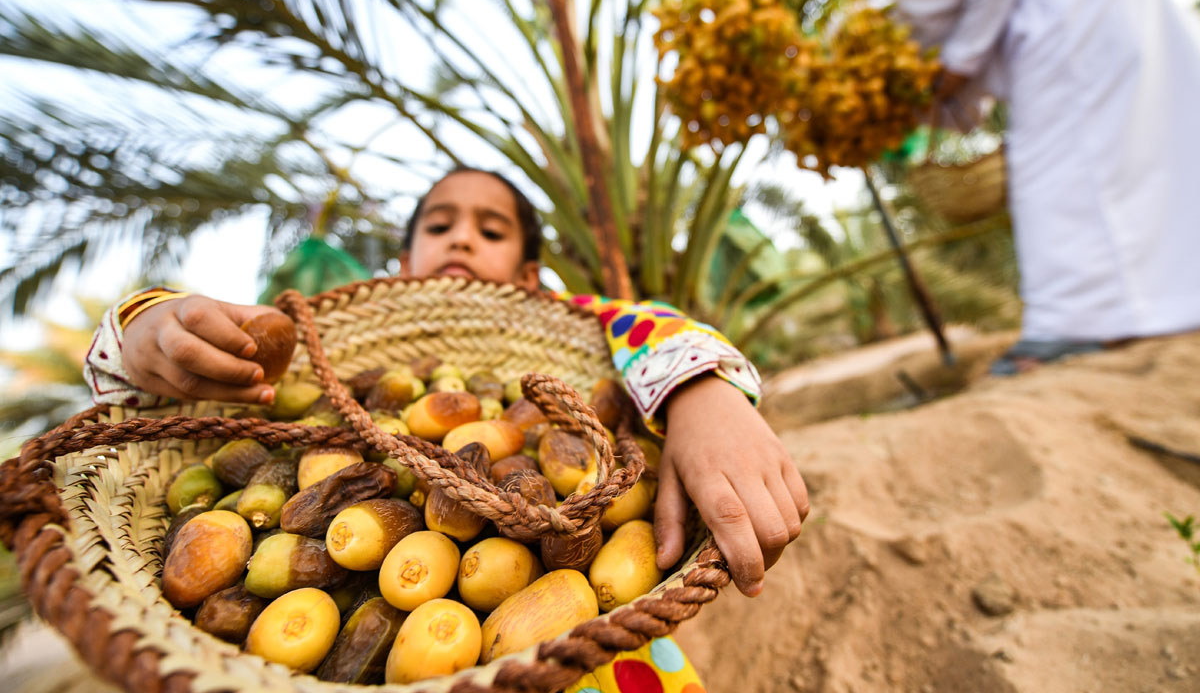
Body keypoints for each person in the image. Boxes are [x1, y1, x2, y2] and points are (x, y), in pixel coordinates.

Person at [85, 167, 810, 691]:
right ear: (403, 266)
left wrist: (701, 393)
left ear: (530, 279)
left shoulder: (582, 326)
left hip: (602, 668)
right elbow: (155, 389)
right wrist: (147, 323)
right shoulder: (335, 349)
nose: (461, 237)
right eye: (439, 225)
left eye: (489, 230)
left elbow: (648, 327)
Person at [892, 0, 1200, 374]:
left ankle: (1064, 327)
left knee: (1049, 178)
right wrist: (929, 101)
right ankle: (1132, 314)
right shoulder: (928, 57)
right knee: (1128, 166)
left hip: (1079, 8)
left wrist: (958, 63)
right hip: (1080, 29)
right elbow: (968, 115)